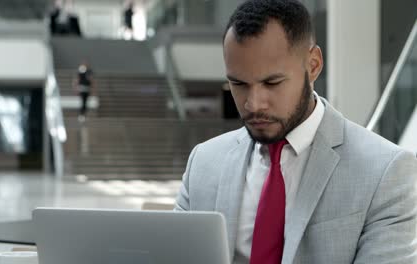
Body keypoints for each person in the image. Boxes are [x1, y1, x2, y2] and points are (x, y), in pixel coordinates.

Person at [175, 0, 417, 263]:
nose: (253, 103)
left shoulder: (386, 172)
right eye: (239, 84)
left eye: (272, 82)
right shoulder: (204, 162)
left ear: (312, 65)